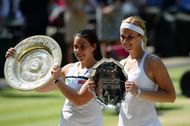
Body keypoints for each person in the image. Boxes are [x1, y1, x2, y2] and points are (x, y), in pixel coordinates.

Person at [5, 29, 103, 126]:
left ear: (93, 46)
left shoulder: (100, 71)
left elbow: (79, 100)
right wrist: (17, 59)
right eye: (75, 47)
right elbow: (40, 88)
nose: (78, 51)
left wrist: (58, 80)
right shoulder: (68, 69)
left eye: (83, 47)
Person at [117, 16, 176, 126]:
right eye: (122, 36)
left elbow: (170, 97)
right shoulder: (121, 64)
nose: (125, 41)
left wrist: (139, 92)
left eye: (130, 37)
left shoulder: (153, 62)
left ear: (141, 36)